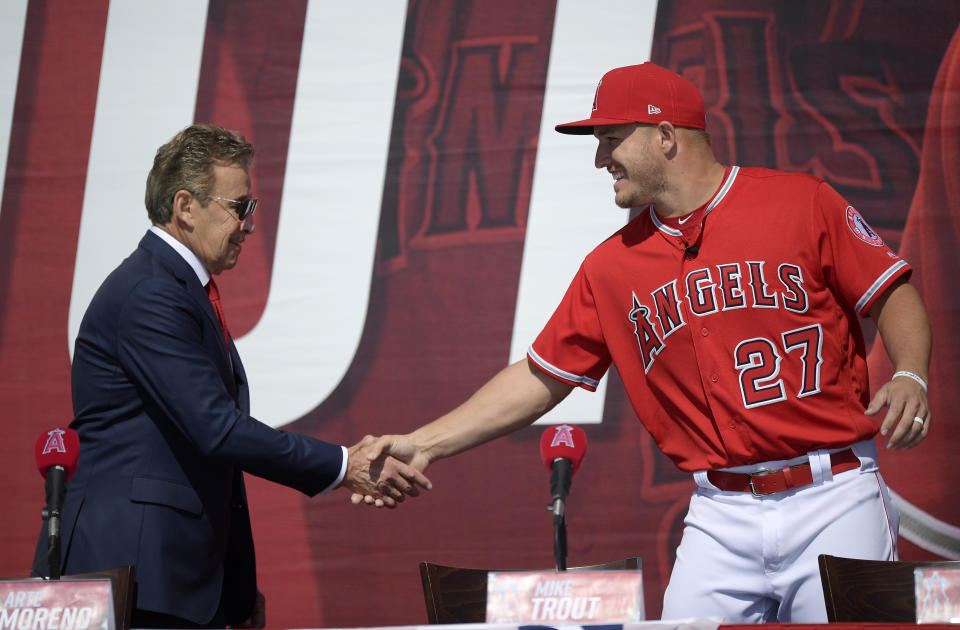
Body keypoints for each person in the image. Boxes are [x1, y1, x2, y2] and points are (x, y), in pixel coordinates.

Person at [356, 63, 932, 623]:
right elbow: (541, 377)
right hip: (719, 513)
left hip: (831, 495)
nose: (601, 158)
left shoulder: (802, 203)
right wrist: (424, 444)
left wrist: (910, 371)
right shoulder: (610, 266)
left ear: (664, 136)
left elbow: (890, 290)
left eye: (611, 138)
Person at [32, 124, 430, 629]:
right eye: (240, 207)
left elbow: (198, 456)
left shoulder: (176, 290)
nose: (249, 224)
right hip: (135, 578)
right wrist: (341, 464)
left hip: (173, 579)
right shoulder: (150, 293)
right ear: (185, 207)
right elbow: (216, 430)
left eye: (252, 208)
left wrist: (234, 589)